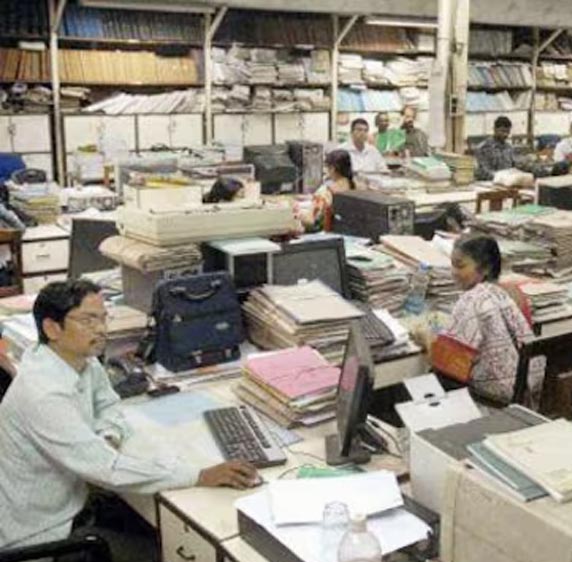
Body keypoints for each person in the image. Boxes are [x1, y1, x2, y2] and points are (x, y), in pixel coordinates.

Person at [0, 280, 258, 551]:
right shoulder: (43, 394)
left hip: (73, 500)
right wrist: (200, 475)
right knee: (163, 544)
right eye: (88, 320)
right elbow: (106, 469)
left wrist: (108, 435)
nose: (101, 329)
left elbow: (108, 404)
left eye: (103, 318)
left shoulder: (79, 358)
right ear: (52, 328)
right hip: (40, 531)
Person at [432, 235, 533, 403]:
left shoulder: (472, 300)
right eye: (452, 265)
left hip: (490, 401)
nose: (453, 272)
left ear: (485, 268)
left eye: (460, 266)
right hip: (523, 395)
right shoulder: (506, 292)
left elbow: (450, 366)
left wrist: (426, 342)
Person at [307, 149, 355, 233]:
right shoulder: (358, 188)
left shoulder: (325, 191)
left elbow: (312, 220)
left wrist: (298, 215)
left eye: (326, 167)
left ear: (332, 168)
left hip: (327, 234)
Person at [474, 116, 517, 181]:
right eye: (502, 131)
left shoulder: (509, 148)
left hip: (507, 183)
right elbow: (482, 171)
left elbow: (514, 167)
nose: (505, 134)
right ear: (494, 129)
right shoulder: (483, 148)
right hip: (488, 183)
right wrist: (501, 177)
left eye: (508, 132)